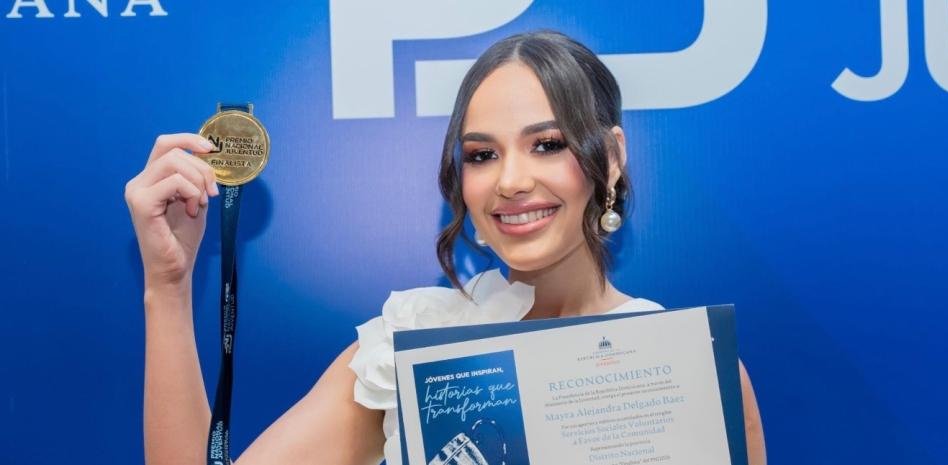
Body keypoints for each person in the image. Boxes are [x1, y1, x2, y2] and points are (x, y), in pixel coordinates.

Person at [125, 30, 766, 465]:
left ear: (613, 158)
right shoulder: (410, 343)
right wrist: (168, 286)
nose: (511, 181)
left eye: (547, 144)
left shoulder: (690, 369)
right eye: (482, 154)